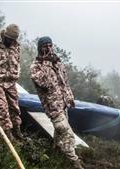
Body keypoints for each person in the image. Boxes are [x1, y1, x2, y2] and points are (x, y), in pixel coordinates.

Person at [30, 36, 84, 169]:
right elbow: (46, 84)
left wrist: (70, 97)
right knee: (67, 134)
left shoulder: (58, 63)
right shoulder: (36, 67)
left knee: (59, 133)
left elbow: (65, 82)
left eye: (50, 45)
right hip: (52, 107)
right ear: (39, 48)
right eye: (45, 46)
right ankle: (75, 162)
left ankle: (55, 155)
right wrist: (46, 63)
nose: (48, 48)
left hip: (63, 104)